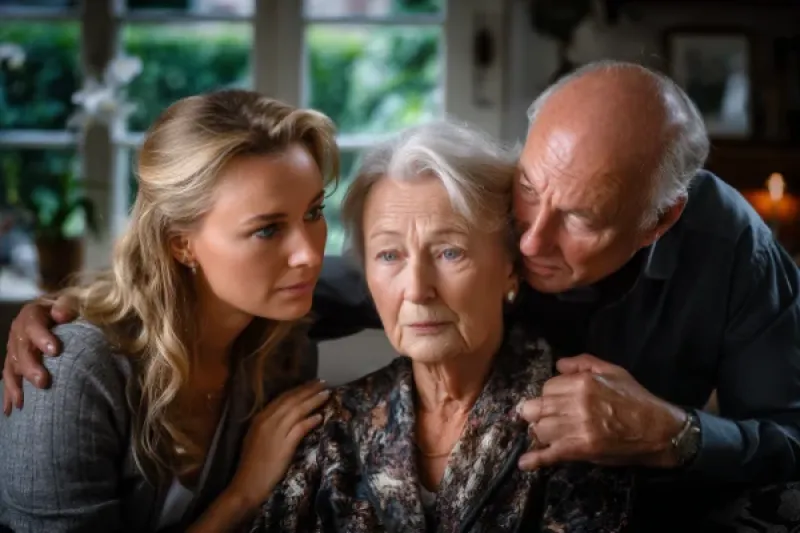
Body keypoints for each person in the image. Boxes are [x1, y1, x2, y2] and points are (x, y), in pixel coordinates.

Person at [6, 60, 800, 530]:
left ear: (659, 217)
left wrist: (676, 434)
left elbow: (787, 446)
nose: (530, 238)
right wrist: (67, 313)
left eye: (582, 219)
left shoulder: (729, 252)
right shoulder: (302, 387)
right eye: (527, 191)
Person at [248, 119, 633, 533]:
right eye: (389, 255)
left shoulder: (580, 424)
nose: (416, 289)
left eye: (450, 252)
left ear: (510, 269)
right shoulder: (329, 426)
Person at [0, 90, 339, 532]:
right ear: (181, 244)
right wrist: (243, 493)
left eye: (314, 212)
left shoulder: (284, 349)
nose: (309, 255)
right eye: (268, 229)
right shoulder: (73, 373)